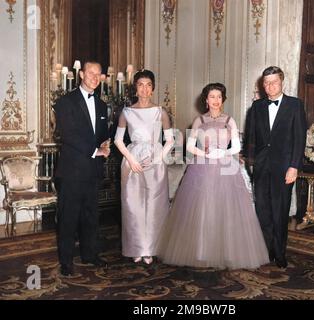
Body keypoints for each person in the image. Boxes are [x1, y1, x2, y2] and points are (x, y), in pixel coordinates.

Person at [156, 83, 269, 270]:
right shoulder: (199, 121)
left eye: (218, 96)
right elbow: (190, 147)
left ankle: (227, 251)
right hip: (202, 168)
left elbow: (236, 147)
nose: (215, 100)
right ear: (206, 100)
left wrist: (221, 153)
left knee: (226, 208)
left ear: (223, 99)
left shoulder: (230, 120)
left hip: (226, 168)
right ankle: (202, 251)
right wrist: (206, 154)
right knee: (204, 208)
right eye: (212, 97)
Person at [242, 66, 307, 268]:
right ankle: (266, 251)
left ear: (282, 83)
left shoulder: (295, 105)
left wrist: (294, 167)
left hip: (284, 167)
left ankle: (280, 253)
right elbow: (250, 138)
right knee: (263, 211)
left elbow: (299, 139)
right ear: (263, 85)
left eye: (274, 82)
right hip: (261, 167)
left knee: (280, 211)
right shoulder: (256, 107)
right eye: (267, 83)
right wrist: (251, 164)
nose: (270, 86)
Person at [54, 61, 111, 276]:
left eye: (99, 74)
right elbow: (67, 134)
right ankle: (66, 262)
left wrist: (105, 145)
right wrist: (95, 150)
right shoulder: (65, 102)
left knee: (90, 216)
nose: (95, 77)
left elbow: (103, 133)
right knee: (68, 217)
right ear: (81, 74)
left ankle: (90, 254)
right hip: (71, 172)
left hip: (92, 171)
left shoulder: (103, 105)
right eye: (91, 73)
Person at [114, 69, 174, 265]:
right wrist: (131, 160)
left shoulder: (160, 112)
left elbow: (170, 140)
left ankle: (151, 248)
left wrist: (158, 158)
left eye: (148, 85)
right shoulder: (126, 112)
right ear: (136, 88)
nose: (145, 89)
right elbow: (118, 140)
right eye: (141, 84)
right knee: (133, 206)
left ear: (153, 88)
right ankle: (136, 248)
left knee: (155, 206)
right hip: (133, 162)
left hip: (155, 162)